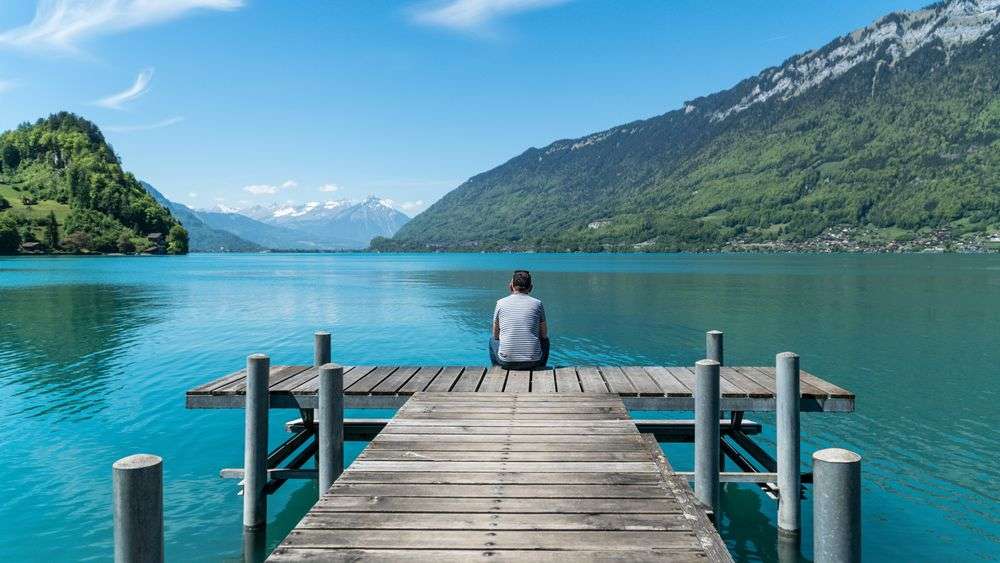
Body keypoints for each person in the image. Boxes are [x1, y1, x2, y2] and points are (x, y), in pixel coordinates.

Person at [490, 270, 550, 369]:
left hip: (506, 362)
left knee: (492, 340)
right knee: (545, 341)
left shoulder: (500, 303)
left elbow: (495, 335)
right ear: (531, 288)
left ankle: (497, 369)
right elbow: (544, 335)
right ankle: (541, 367)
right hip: (533, 361)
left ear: (511, 286)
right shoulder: (537, 304)